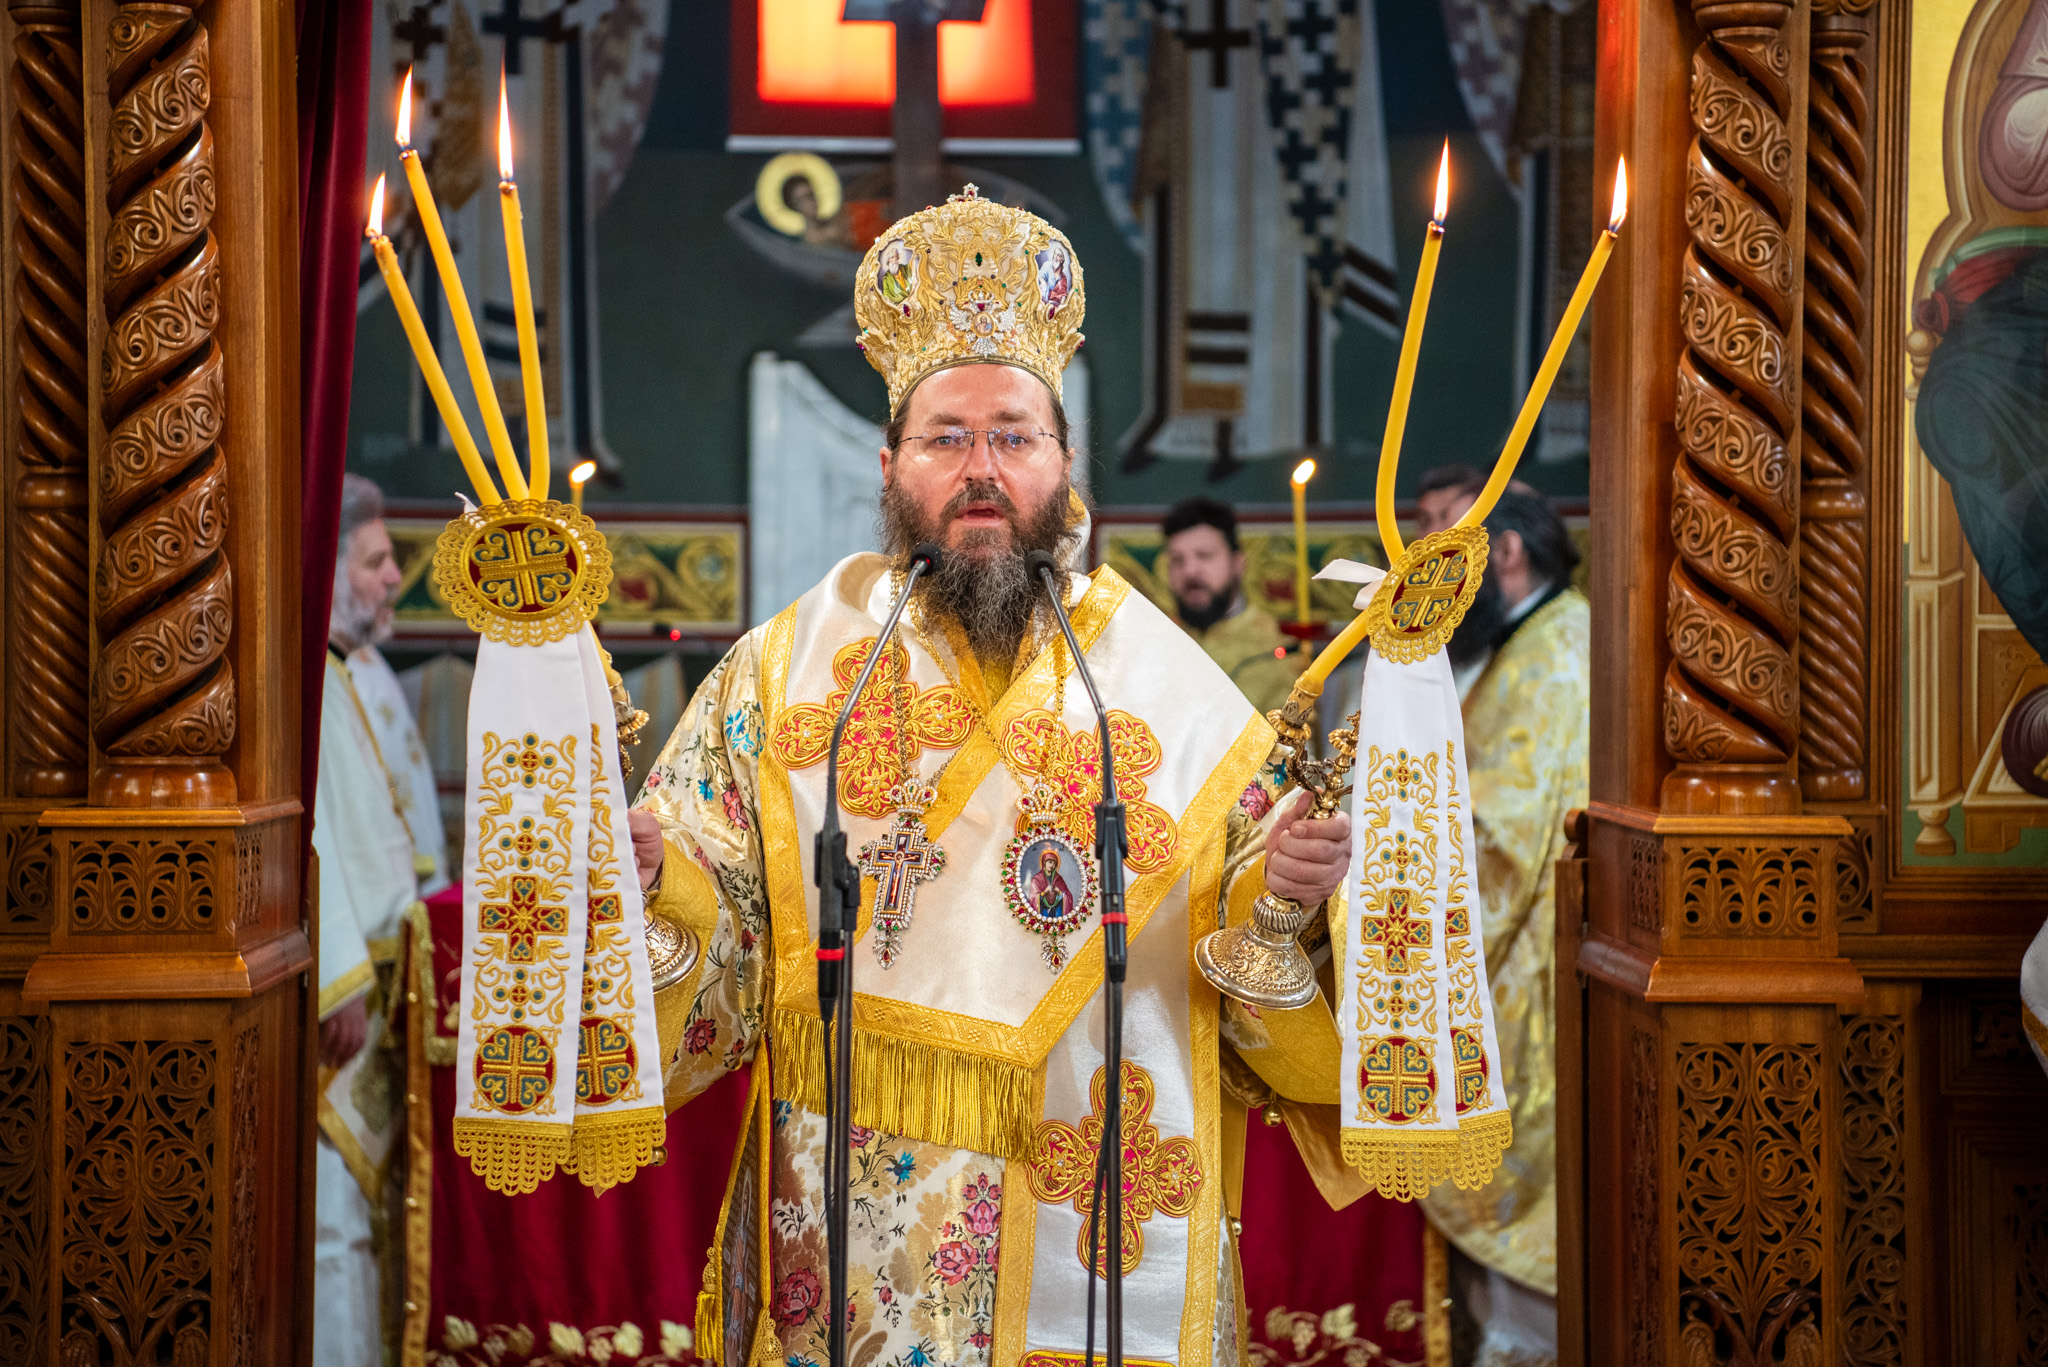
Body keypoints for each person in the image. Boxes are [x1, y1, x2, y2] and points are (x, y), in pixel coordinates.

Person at [626, 188, 1354, 1367]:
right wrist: (662, 879)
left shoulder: (1158, 681)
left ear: (1064, 460)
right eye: (945, 437)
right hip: (857, 1207)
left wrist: (1282, 890)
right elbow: (723, 924)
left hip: (1095, 1175)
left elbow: (1249, 940)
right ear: (889, 464)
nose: (981, 468)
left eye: (1013, 436)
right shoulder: (788, 667)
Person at [1410, 478, 1589, 1367]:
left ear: (1506, 551)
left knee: (1527, 1263)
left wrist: (1390, 928)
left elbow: (1498, 847)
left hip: (1529, 977)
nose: (1430, 569)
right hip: (1526, 963)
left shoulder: (1553, 656)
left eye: (1448, 544)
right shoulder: (1534, 644)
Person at [313, 474, 429, 1366]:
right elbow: (313, 838)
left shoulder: (346, 672)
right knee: (333, 1217)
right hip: (343, 1003)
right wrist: (338, 977)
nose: (394, 577)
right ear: (326, 569)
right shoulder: (307, 682)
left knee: (368, 1212)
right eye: (374, 560)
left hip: (384, 984)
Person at [1160, 496, 1302, 717]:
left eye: (1204, 556)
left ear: (1238, 563)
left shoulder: (1277, 650)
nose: (1190, 571)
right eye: (1177, 560)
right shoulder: (1155, 639)